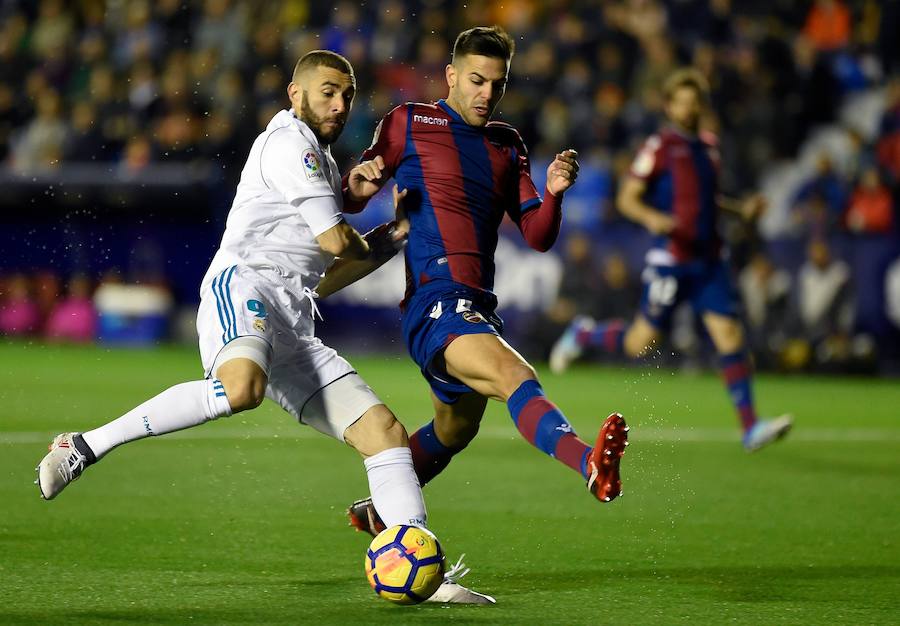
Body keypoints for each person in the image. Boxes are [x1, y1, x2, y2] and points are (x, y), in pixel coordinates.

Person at [34, 50, 489, 604]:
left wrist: (389, 229)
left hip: (292, 317)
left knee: (385, 436)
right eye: (327, 91)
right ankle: (82, 445)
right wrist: (380, 218)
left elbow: (329, 274)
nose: (340, 104)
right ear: (294, 94)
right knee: (241, 389)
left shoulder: (319, 160)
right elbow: (337, 244)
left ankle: (426, 573)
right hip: (244, 286)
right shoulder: (288, 144)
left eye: (346, 94)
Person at [317, 26, 629, 539]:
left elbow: (538, 234)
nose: (487, 94)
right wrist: (358, 184)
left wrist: (553, 194)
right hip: (435, 301)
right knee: (515, 375)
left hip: (477, 306)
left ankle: (377, 512)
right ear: (452, 75)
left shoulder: (507, 145)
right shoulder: (409, 121)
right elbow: (350, 195)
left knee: (454, 428)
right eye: (478, 81)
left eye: (497, 85)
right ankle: (589, 465)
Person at [550, 68, 792, 452]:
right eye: (681, 100)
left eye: (694, 100)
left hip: (709, 259)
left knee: (730, 336)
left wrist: (740, 211)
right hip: (672, 259)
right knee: (639, 342)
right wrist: (652, 218)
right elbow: (628, 196)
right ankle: (584, 334)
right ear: (669, 106)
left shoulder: (709, 147)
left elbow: (705, 201)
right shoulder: (659, 146)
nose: (688, 107)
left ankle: (750, 427)